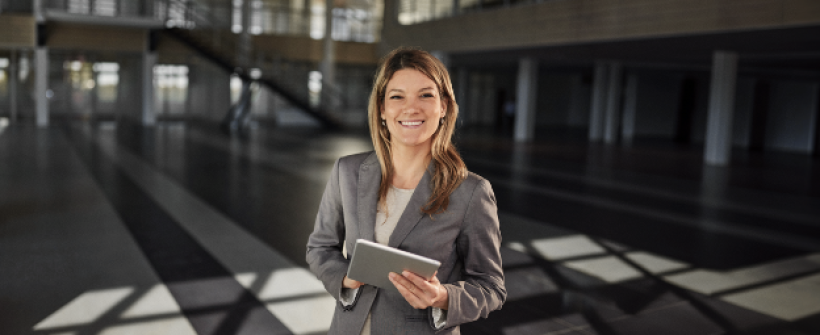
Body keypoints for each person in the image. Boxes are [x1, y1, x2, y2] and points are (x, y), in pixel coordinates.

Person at [306, 47, 506, 335]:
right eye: (397, 96)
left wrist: (442, 297)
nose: (411, 108)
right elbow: (320, 247)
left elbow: (490, 287)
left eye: (426, 95)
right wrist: (345, 279)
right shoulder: (347, 172)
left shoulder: (471, 192)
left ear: (444, 107)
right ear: (382, 110)